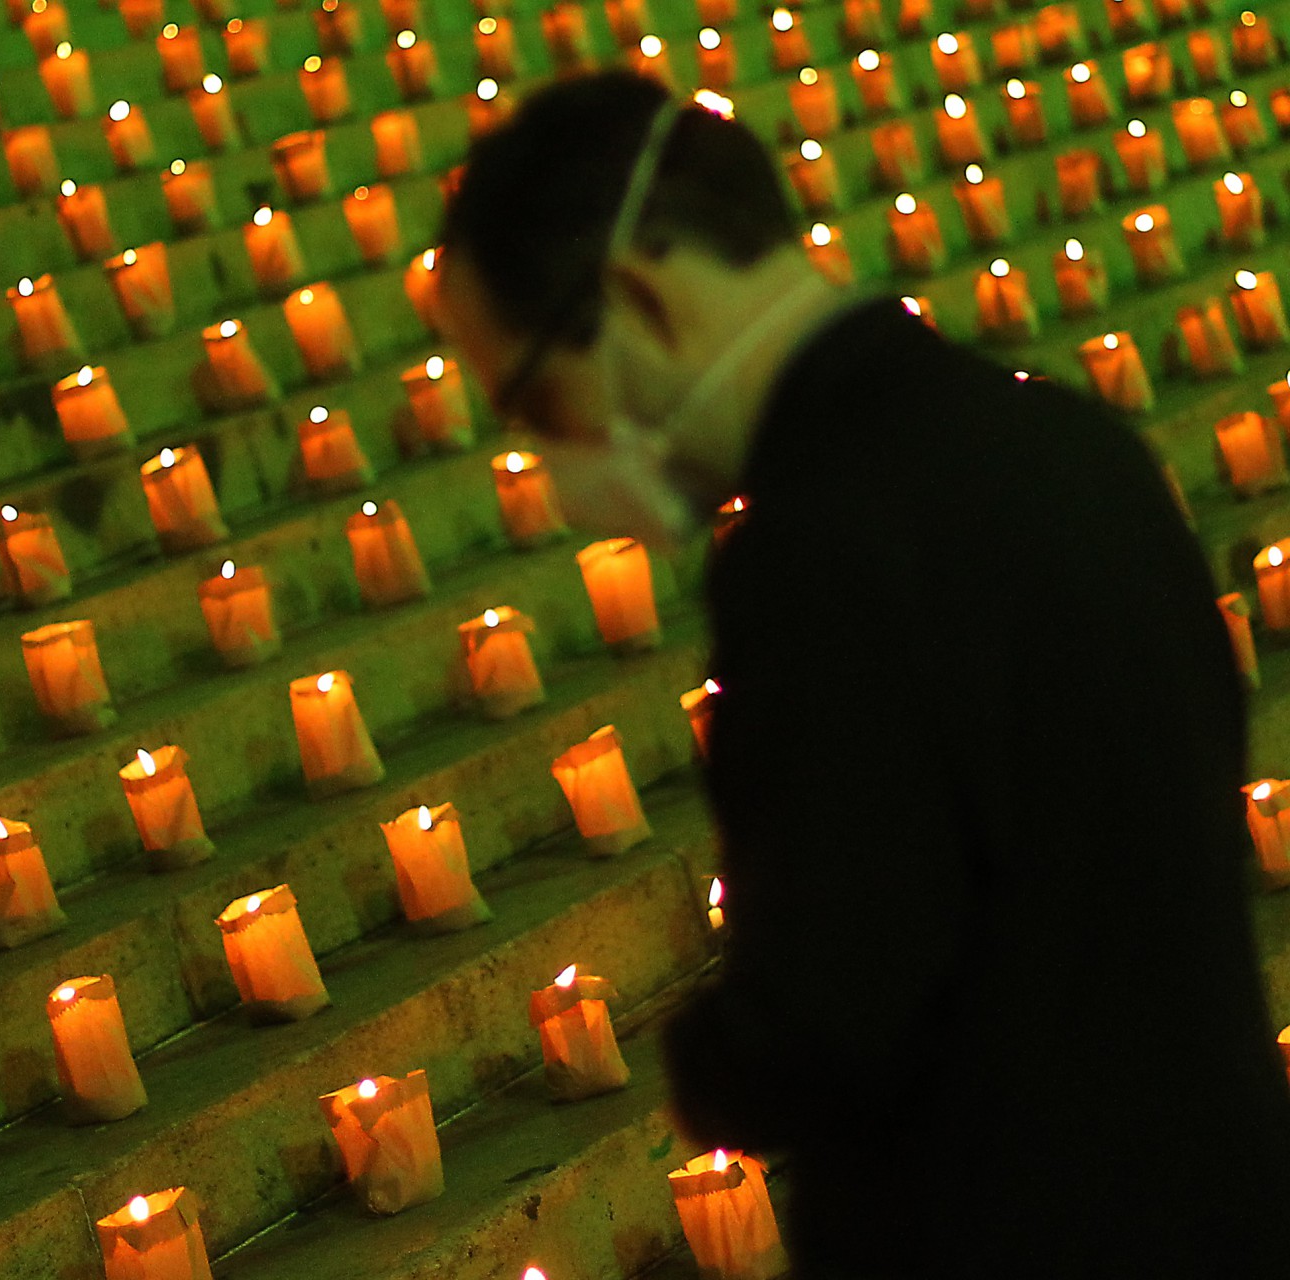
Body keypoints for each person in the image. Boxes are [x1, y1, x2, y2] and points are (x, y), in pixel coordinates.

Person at [437, 69, 1290, 1278]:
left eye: (532, 398)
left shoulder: (820, 556)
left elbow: (837, 1008)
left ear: (633, 297)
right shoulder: (1066, 442)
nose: (545, 455)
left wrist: (710, 1058)